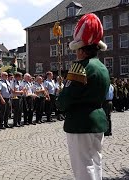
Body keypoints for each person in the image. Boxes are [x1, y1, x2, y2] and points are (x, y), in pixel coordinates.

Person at [56, 13, 110, 180]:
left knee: (83, 166)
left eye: (77, 50)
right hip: (98, 120)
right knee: (96, 162)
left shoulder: (80, 67)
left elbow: (66, 99)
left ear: (81, 49)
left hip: (80, 122)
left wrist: (60, 100)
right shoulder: (102, 67)